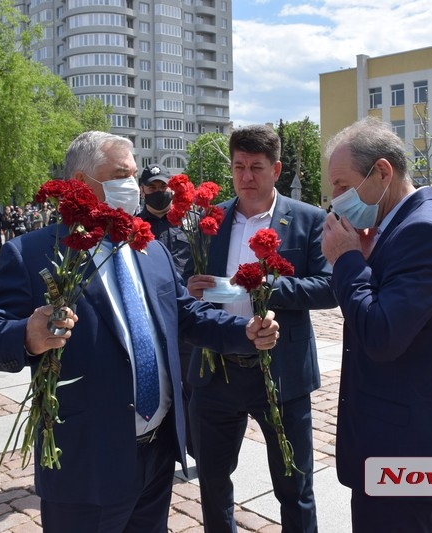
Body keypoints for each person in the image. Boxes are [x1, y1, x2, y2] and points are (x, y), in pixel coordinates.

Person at [0, 131, 280, 533]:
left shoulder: (148, 248)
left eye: (133, 175)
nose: (131, 187)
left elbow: (185, 314)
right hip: (87, 464)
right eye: (120, 174)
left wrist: (247, 332)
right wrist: (28, 336)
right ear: (82, 184)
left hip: (157, 454)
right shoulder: (32, 253)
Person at [320, 117, 432, 532]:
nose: (335, 199)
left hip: (406, 449)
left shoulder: (425, 231)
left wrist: (347, 260)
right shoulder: (401, 227)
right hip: (393, 442)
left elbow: (381, 334)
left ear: (382, 172)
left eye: (341, 184)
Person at [186, 125, 336, 533]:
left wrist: (270, 286)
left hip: (282, 371)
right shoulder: (211, 219)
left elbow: (329, 287)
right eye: (238, 167)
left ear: (277, 168)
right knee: (213, 483)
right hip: (217, 371)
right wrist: (191, 285)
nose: (246, 177)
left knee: (294, 486)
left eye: (256, 167)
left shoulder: (308, 220)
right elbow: (186, 280)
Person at [138, 163, 197, 451]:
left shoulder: (189, 224)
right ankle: (161, 446)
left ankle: (192, 447)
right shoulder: (135, 228)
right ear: (142, 190)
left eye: (163, 187)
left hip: (186, 320)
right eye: (152, 187)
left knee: (191, 387)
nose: (159, 192)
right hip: (151, 321)